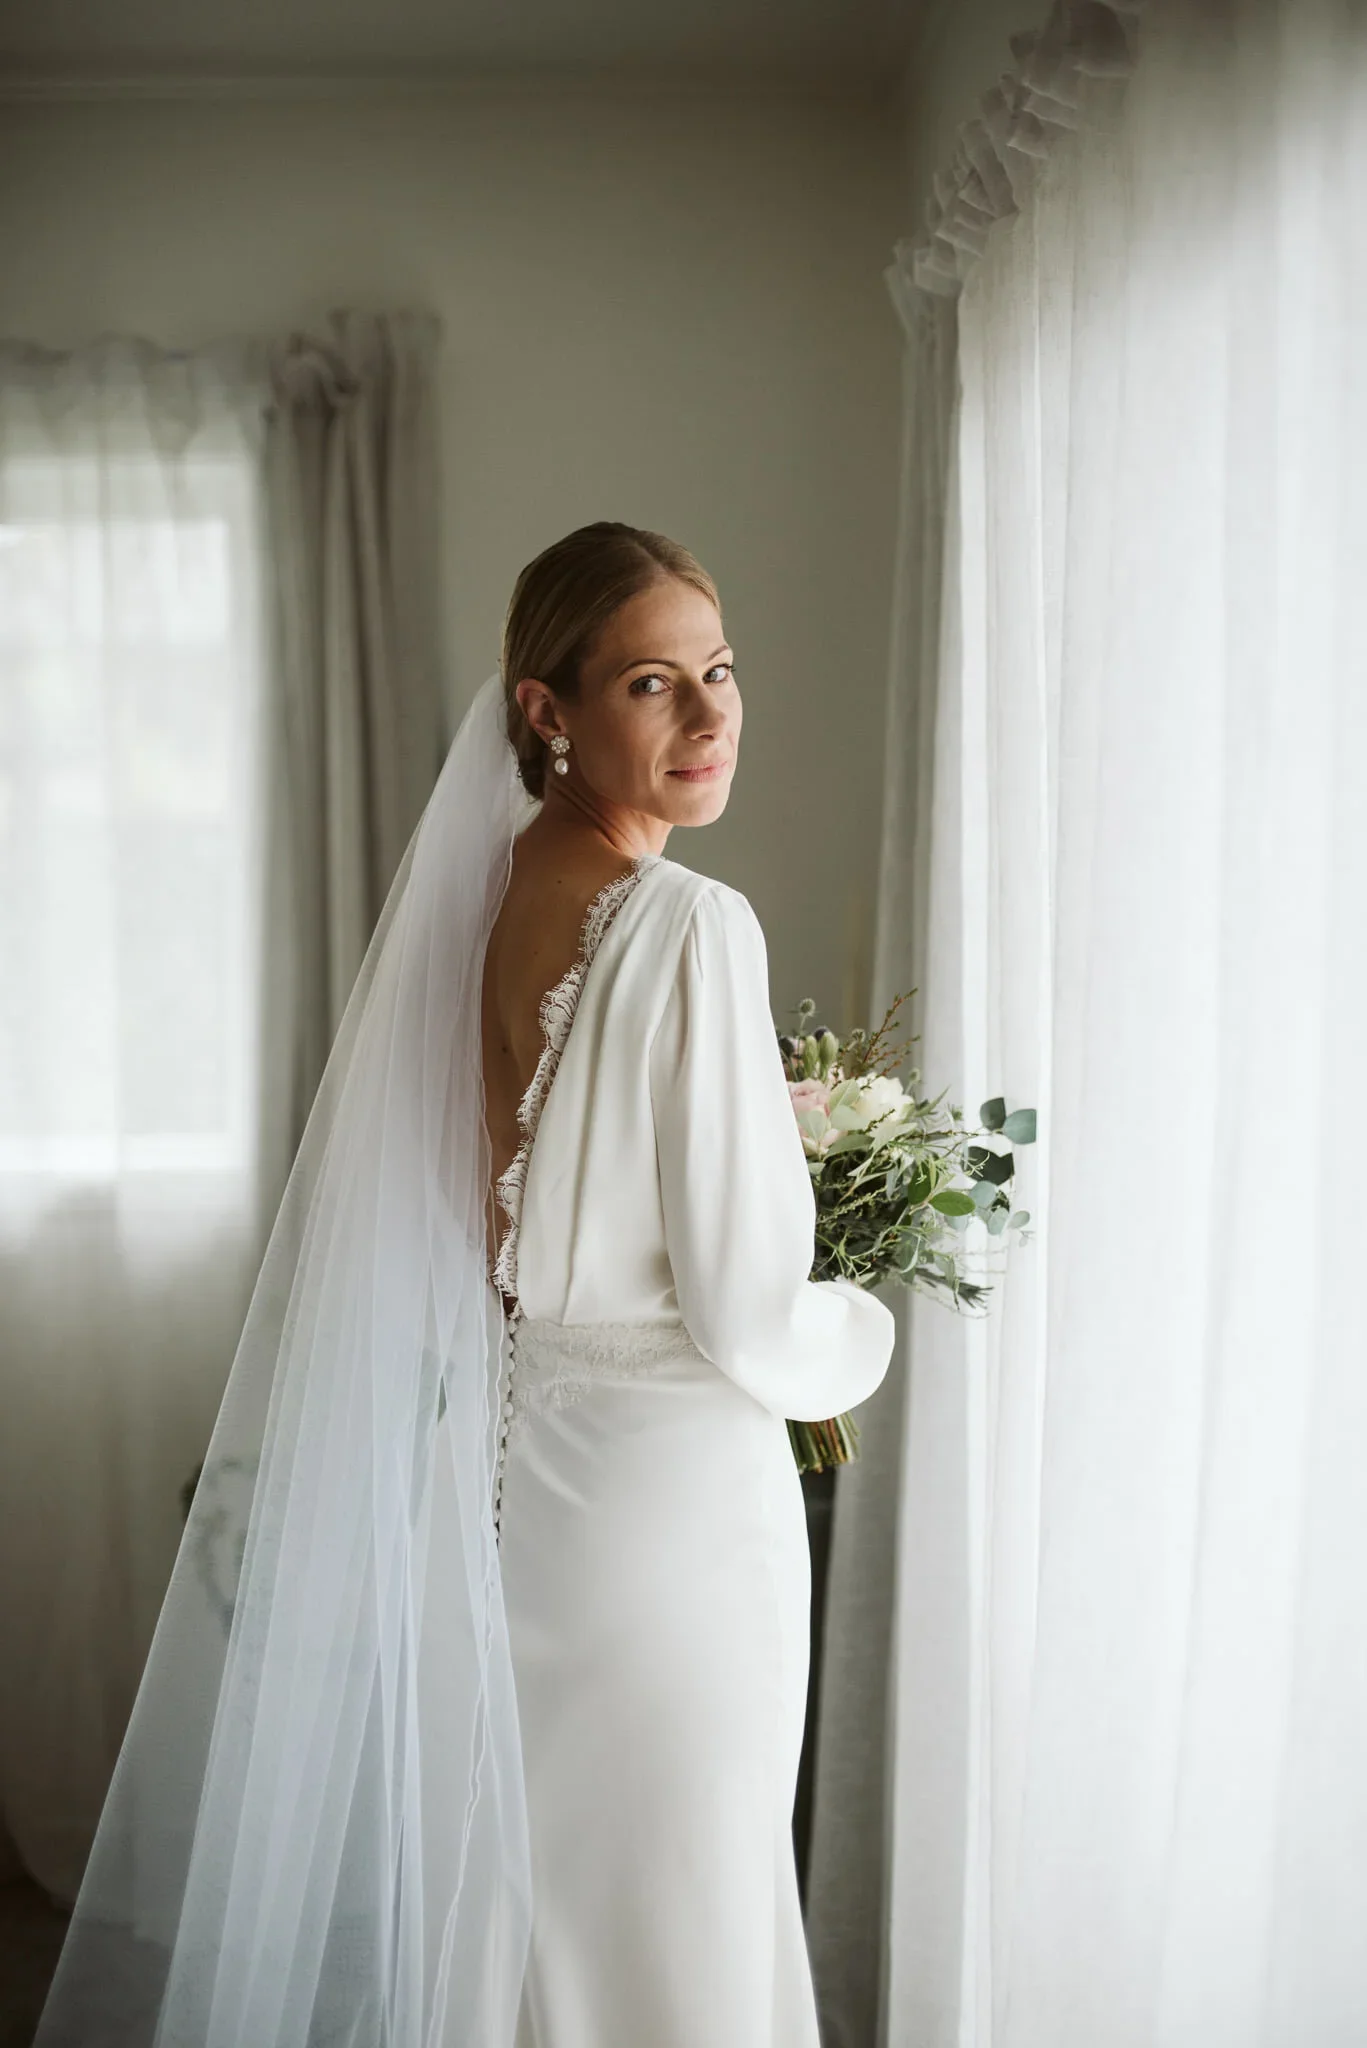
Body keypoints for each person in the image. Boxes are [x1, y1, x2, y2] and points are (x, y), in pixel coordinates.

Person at [34, 520, 895, 2048]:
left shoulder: (471, 904)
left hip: (517, 1488)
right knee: (677, 1907)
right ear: (545, 708)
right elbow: (753, 1316)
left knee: (540, 1896)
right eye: (651, 682)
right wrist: (865, 1322)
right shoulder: (691, 927)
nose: (708, 719)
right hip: (671, 1514)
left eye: (720, 671)